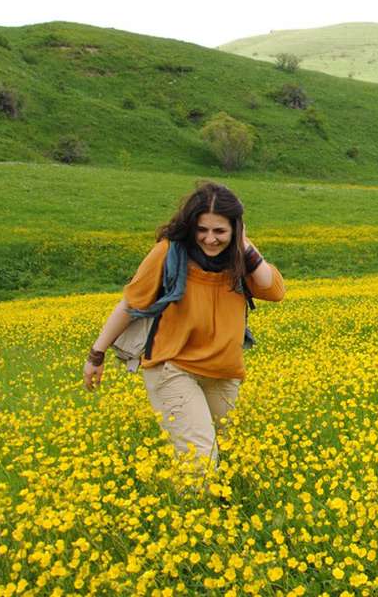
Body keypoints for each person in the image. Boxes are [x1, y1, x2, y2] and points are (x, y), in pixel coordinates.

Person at [83, 181, 286, 484]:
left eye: (220, 231)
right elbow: (130, 303)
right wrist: (96, 355)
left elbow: (274, 290)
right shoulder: (169, 253)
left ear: (236, 229)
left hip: (222, 370)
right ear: (191, 226)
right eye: (202, 229)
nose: (210, 239)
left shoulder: (239, 258)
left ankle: (219, 512)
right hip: (172, 367)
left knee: (229, 448)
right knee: (199, 457)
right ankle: (199, 524)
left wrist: (244, 246)